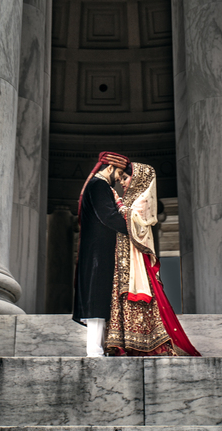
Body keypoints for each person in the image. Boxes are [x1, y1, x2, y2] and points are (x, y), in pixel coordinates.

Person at [105, 161, 200, 356]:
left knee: (137, 293)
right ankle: (124, 341)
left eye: (125, 178)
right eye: (121, 178)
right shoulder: (129, 198)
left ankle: (145, 344)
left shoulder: (141, 200)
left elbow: (135, 221)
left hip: (136, 259)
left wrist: (118, 203)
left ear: (138, 178)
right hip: (123, 256)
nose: (122, 182)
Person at [72, 150, 132, 357]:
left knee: (99, 299)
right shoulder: (99, 186)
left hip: (97, 251)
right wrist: (135, 228)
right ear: (110, 167)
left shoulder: (97, 186)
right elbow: (109, 216)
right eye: (119, 173)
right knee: (97, 301)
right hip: (98, 253)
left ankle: (98, 348)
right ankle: (95, 350)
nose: (119, 178)